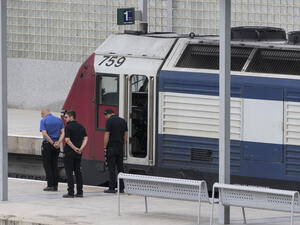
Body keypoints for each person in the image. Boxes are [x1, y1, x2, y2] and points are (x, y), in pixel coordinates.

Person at [63, 110, 88, 198]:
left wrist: (74, 148)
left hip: (69, 152)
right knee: (78, 172)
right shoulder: (81, 126)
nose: (65, 119)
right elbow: (85, 138)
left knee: (69, 172)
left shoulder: (68, 127)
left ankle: (70, 192)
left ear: (71, 117)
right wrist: (81, 148)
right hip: (78, 153)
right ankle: (80, 192)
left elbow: (67, 140)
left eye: (66, 117)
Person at [103, 109, 128, 193]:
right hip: (120, 147)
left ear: (107, 114)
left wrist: (105, 146)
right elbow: (126, 135)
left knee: (111, 168)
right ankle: (121, 188)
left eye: (105, 116)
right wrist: (122, 144)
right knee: (120, 168)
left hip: (111, 147)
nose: (106, 118)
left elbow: (107, 134)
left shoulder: (109, 121)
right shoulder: (123, 121)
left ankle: (112, 188)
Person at [40, 109, 64, 191]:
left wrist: (52, 143)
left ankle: (50, 185)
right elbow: (63, 133)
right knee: (54, 165)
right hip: (57, 146)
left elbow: (44, 134)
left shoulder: (43, 120)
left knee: (47, 165)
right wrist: (58, 142)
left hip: (47, 145)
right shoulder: (59, 120)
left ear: (43, 114)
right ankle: (55, 186)